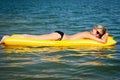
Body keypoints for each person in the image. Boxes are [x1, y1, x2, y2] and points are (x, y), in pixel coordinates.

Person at [0, 25, 109, 44]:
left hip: (60, 36)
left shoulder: (87, 33)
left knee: (36, 38)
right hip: (60, 37)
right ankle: (7, 38)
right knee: (35, 38)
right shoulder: (88, 34)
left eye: (99, 34)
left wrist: (104, 34)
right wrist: (106, 35)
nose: (97, 35)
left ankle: (12, 37)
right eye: (97, 32)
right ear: (94, 29)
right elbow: (103, 42)